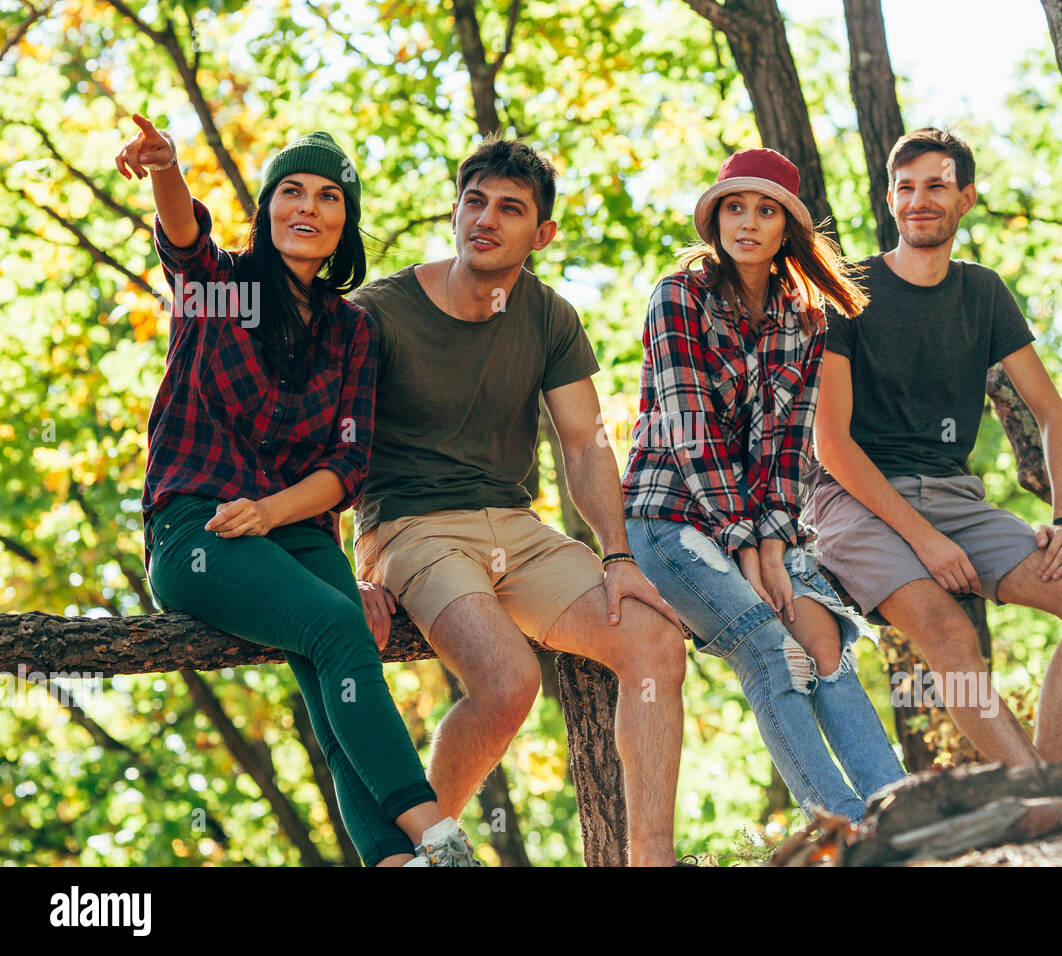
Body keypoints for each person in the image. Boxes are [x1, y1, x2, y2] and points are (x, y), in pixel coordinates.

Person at [120, 115, 463, 867]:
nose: (309, 207)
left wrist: (272, 510)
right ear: (268, 206)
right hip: (199, 533)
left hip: (301, 532)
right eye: (292, 191)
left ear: (346, 222)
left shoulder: (354, 333)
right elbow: (183, 240)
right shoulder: (220, 291)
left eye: (329, 197)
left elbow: (346, 468)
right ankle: (442, 840)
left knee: (336, 681)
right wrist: (166, 169)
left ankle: (394, 860)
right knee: (338, 629)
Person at [351, 135, 686, 867]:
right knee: (509, 683)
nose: (486, 220)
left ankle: (650, 861)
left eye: (510, 209)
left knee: (655, 645)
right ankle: (418, 855)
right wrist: (342, 572)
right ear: (454, 209)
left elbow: (586, 443)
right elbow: (318, 445)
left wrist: (618, 555)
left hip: (517, 531)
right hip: (411, 528)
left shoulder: (549, 316)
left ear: (542, 234)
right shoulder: (378, 312)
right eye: (475, 202)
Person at [809, 127, 1062, 767]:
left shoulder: (982, 293)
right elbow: (831, 445)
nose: (919, 199)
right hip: (854, 499)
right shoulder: (844, 289)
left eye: (936, 186)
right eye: (905, 188)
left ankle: (1042, 778)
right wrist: (925, 541)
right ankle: (1035, 790)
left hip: (953, 500)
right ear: (891, 199)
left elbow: (1052, 415)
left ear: (966, 199)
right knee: (949, 630)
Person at [622, 147, 906, 822]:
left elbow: (788, 448)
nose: (748, 222)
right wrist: (746, 549)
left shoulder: (804, 319)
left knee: (826, 646)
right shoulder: (679, 295)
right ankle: (842, 826)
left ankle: (901, 809)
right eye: (735, 207)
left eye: (766, 210)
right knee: (774, 651)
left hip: (761, 524)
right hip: (670, 516)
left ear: (787, 230)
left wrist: (772, 547)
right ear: (717, 218)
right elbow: (692, 429)